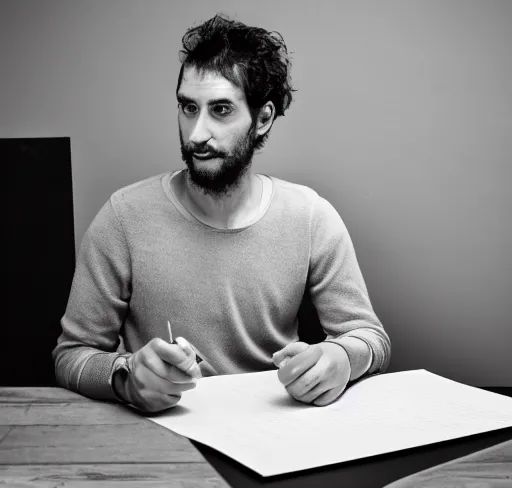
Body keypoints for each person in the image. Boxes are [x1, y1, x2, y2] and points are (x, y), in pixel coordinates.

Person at [53, 14, 391, 413]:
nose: (196, 134)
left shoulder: (311, 217)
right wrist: (126, 377)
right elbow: (70, 356)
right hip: (162, 442)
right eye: (188, 107)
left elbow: (370, 337)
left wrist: (342, 358)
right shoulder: (124, 217)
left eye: (221, 110)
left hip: (275, 435)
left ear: (262, 119)